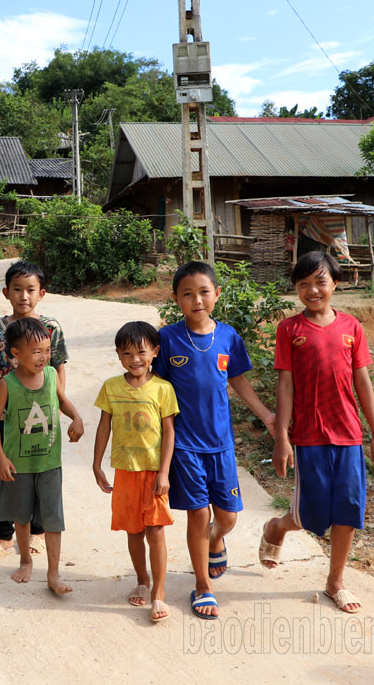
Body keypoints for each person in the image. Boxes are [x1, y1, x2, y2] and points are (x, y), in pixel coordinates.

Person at [260, 251, 374, 614]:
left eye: (320, 281)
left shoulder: (352, 328)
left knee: (347, 511)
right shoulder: (290, 330)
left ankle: (335, 582)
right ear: (297, 290)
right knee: (311, 515)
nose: (312, 290)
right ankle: (277, 527)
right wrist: (282, 438)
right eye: (303, 284)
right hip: (308, 436)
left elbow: (363, 382)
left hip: (348, 434)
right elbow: (285, 385)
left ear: (335, 283)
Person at [153, 261, 277, 620]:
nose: (197, 300)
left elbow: (237, 381)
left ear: (217, 294)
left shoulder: (228, 337)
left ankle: (216, 539)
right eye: (187, 294)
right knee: (197, 515)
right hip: (185, 446)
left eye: (204, 292)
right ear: (176, 299)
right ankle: (203, 586)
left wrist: (266, 415)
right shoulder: (168, 338)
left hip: (220, 444)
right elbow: (157, 389)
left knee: (227, 517)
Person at [0, 261, 68, 564]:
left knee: (42, 473)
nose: (23, 296)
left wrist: (58, 407)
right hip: (6, 419)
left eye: (30, 290)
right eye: (17, 289)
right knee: (3, 475)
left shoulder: (51, 328)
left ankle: (38, 533)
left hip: (40, 418)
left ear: (41, 293)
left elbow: (59, 368)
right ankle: (4, 536)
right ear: (6, 292)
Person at [0, 317, 84, 595]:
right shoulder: (7, 384)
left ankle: (53, 574)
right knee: (22, 517)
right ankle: (25, 560)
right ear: (15, 354)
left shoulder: (52, 375)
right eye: (36, 351)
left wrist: (76, 417)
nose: (43, 357)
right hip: (19, 465)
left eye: (46, 350)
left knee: (53, 519)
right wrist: (1, 457)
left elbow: (62, 400)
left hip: (50, 463)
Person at [92, 321, 179, 622]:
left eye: (141, 352)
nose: (135, 359)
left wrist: (165, 473)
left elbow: (169, 433)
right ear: (118, 355)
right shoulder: (111, 387)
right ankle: (142, 580)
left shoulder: (163, 389)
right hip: (125, 471)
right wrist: (96, 463)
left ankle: (159, 593)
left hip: (154, 472)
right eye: (127, 353)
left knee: (155, 531)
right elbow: (104, 426)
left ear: (154, 352)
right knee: (133, 531)